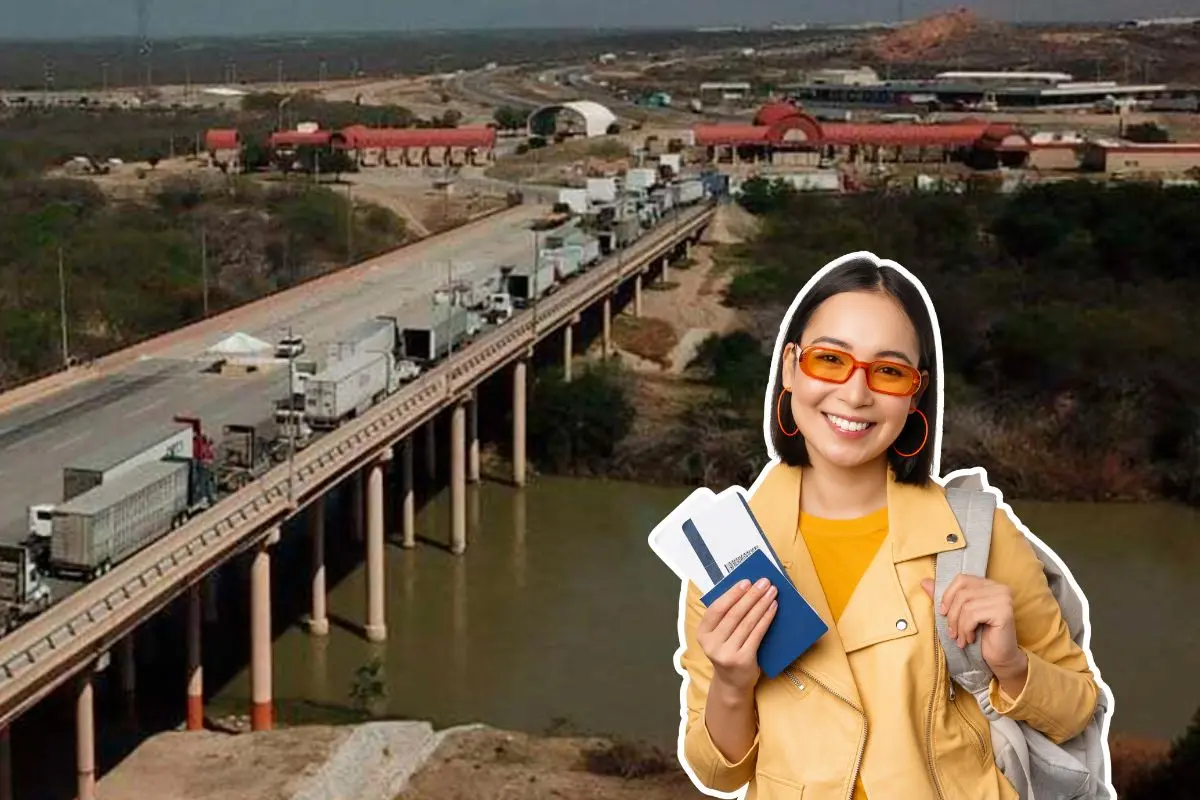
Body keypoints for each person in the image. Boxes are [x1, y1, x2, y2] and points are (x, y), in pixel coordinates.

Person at [675, 254, 1102, 800]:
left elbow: (1078, 708)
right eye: (830, 360)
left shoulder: (976, 535)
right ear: (790, 368)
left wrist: (1010, 665)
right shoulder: (730, 550)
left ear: (915, 393)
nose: (856, 394)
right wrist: (733, 683)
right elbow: (719, 773)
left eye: (889, 372)